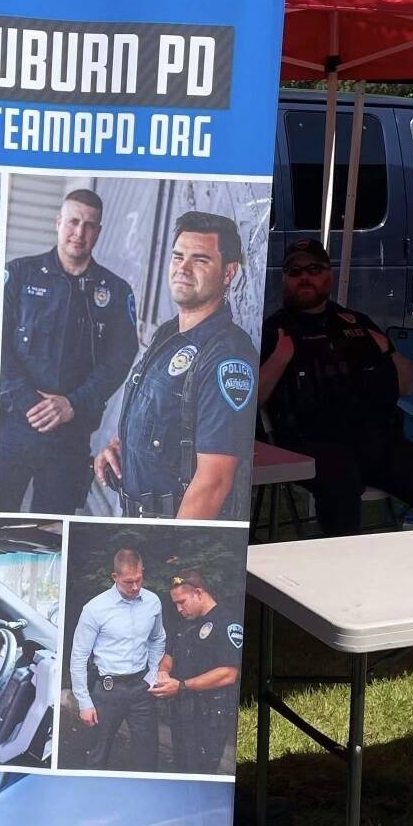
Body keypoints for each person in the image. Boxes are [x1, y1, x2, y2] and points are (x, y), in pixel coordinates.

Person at [258, 239, 413, 535]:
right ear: (284, 279)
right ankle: (341, 568)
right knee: (341, 480)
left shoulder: (355, 323)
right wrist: (279, 359)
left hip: (374, 439)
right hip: (310, 444)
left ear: (328, 274)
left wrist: (389, 352)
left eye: (314, 268)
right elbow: (252, 400)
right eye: (295, 271)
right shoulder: (273, 330)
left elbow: (407, 385)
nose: (305, 277)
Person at [92, 211, 258, 521]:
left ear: (228, 273)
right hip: (137, 519)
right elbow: (167, 419)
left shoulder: (227, 357)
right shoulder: (169, 335)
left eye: (200, 260)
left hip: (170, 531)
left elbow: (214, 481)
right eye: (178, 256)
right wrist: (123, 446)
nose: (183, 268)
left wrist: (172, 553)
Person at [0, 189, 137, 514]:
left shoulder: (115, 291)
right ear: (58, 222)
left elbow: (119, 359)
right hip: (15, 427)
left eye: (89, 225)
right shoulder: (19, 274)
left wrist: (73, 404)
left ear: (98, 232)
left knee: (51, 530)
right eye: (73, 221)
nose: (79, 232)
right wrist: (30, 402)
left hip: (71, 437)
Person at [69, 546, 166, 771]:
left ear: (143, 571)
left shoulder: (153, 602)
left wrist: (152, 674)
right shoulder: (95, 608)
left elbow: (158, 639)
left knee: (148, 755)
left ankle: (144, 800)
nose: (135, 587)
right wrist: (84, 701)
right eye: (128, 582)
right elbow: (79, 656)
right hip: (108, 689)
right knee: (97, 755)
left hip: (142, 688)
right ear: (115, 577)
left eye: (139, 579)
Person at [150, 571, 241, 775]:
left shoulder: (226, 623)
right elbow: (168, 656)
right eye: (175, 604)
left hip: (210, 715)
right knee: (182, 767)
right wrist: (163, 672)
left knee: (202, 772)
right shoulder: (184, 625)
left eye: (182, 602)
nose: (179, 609)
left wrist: (182, 686)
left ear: (199, 593)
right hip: (182, 711)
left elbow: (229, 672)